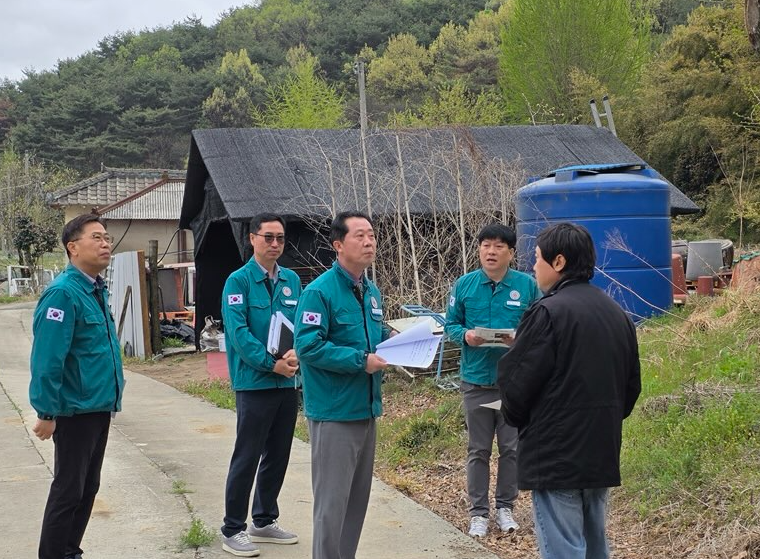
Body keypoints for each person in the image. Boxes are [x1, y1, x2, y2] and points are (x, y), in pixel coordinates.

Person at [497, 222, 641, 559]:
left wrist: (518, 417)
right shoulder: (617, 313)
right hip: (601, 449)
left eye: (537, 258)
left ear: (558, 262)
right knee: (594, 545)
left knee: (564, 549)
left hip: (555, 454)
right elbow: (631, 388)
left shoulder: (547, 312)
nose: (533, 267)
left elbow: (516, 384)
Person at [294, 211, 391, 559]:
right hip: (334, 412)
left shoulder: (370, 291)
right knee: (332, 505)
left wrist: (400, 341)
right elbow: (308, 346)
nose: (369, 242)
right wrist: (360, 361)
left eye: (372, 235)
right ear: (338, 245)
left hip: (365, 408)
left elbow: (375, 336)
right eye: (359, 236)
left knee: (355, 503)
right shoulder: (319, 292)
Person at [29, 213, 125, 559]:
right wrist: (46, 411)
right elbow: (47, 359)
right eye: (96, 238)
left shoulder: (95, 289)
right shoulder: (63, 294)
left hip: (98, 406)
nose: (105, 244)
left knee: (87, 488)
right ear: (73, 247)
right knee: (68, 490)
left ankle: (70, 551)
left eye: (107, 238)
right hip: (74, 410)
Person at [445, 223, 542, 538]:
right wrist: (465, 335)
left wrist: (519, 339)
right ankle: (478, 513)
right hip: (476, 382)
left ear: (511, 253)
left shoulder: (527, 286)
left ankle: (505, 507)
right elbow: (450, 324)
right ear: (479, 250)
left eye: (499, 246)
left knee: (511, 448)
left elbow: (541, 325)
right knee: (478, 450)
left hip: (512, 385)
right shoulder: (464, 285)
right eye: (486, 245)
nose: (491, 251)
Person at [219, 213, 303, 557]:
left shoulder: (291, 280)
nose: (275, 244)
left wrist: (295, 355)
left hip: (286, 385)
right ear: (252, 238)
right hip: (255, 383)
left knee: (278, 455)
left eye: (280, 238)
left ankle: (264, 520)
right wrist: (272, 364)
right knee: (248, 455)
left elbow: (300, 325)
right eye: (268, 237)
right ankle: (232, 528)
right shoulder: (237, 282)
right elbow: (239, 335)